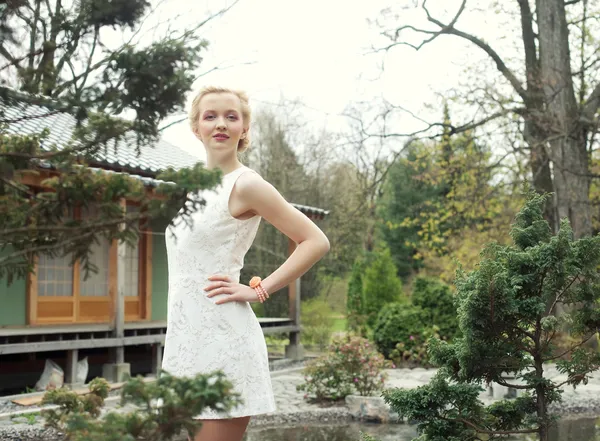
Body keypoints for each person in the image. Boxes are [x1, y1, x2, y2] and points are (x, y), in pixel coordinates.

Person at [161, 86, 330, 441]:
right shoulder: (198, 188)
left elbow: (315, 241)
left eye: (231, 117)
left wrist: (259, 289)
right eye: (211, 116)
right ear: (196, 128)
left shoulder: (247, 184)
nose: (220, 124)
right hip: (186, 343)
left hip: (225, 341)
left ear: (244, 129)